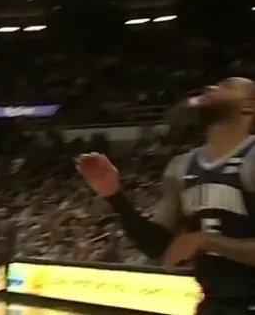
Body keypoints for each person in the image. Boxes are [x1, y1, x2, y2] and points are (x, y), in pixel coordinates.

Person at [77, 76, 255, 315]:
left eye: (228, 86)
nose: (212, 87)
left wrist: (206, 240)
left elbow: (198, 241)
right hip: (213, 305)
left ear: (249, 105)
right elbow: (156, 245)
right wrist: (114, 195)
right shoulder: (181, 166)